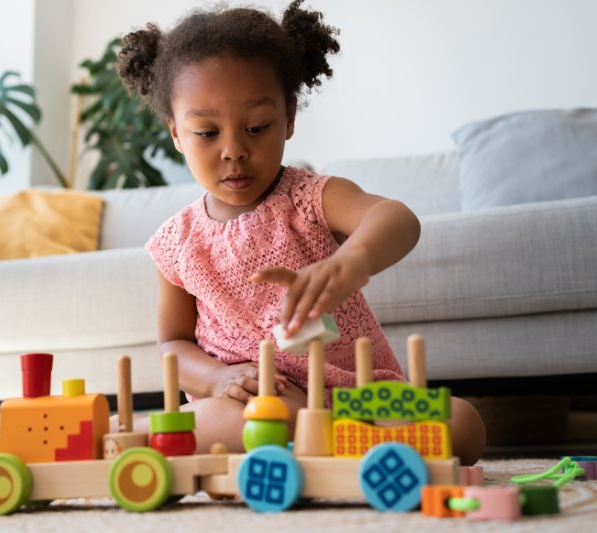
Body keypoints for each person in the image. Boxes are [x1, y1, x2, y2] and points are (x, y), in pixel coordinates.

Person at [115, 0, 486, 465]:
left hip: (355, 400)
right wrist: (215, 380)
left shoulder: (310, 198)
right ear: (175, 134)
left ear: (289, 118)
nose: (233, 150)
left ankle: (327, 447)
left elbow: (397, 219)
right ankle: (136, 432)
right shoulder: (177, 243)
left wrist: (352, 261)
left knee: (464, 425)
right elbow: (173, 343)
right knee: (260, 420)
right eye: (207, 133)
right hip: (254, 401)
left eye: (256, 127)